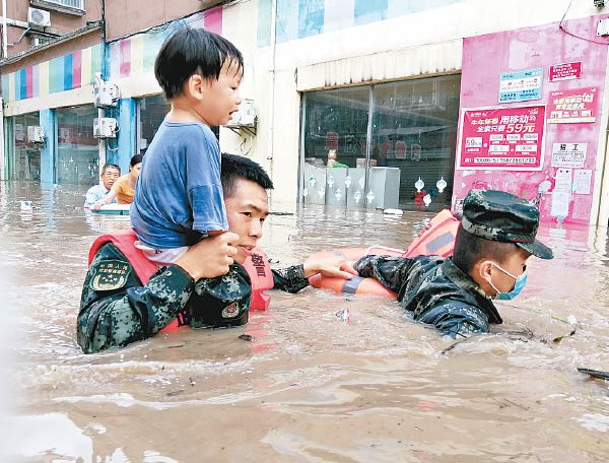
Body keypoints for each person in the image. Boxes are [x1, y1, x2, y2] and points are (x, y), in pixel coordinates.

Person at [77, 154, 356, 354]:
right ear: (204, 206)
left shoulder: (241, 254)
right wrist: (187, 270)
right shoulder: (125, 254)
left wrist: (306, 269)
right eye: (247, 214)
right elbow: (92, 335)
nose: (258, 231)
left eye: (263, 219)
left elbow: (268, 282)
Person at [353, 189, 554, 338]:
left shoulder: (424, 266)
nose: (523, 273)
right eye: (522, 264)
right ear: (488, 271)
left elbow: (372, 263)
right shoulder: (464, 321)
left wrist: (354, 264)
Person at [129, 26, 244, 266]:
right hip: (173, 248)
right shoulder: (199, 134)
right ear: (198, 87)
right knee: (238, 269)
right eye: (233, 87)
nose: (239, 98)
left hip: (149, 241)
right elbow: (209, 212)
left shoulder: (168, 127)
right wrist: (234, 246)